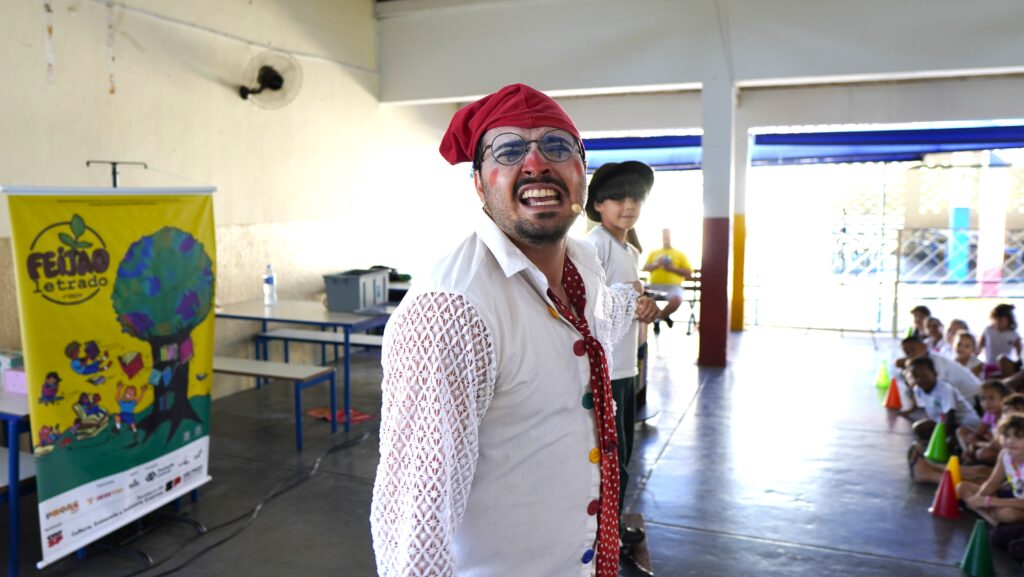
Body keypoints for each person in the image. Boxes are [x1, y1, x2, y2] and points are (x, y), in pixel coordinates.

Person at [370, 83, 651, 577]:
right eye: (509, 150)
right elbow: (415, 523)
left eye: (557, 147)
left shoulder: (583, 265)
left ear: (582, 173)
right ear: (479, 185)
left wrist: (639, 301)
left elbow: (602, 316)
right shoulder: (452, 310)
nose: (536, 163)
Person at [584, 161, 662, 551]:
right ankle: (602, 533)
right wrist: (633, 297)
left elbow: (625, 300)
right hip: (607, 369)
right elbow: (586, 302)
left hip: (626, 365)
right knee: (609, 456)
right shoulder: (594, 244)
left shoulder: (628, 248)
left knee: (623, 452)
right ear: (598, 204)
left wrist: (643, 303)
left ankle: (610, 525)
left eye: (635, 198)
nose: (628, 205)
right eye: (617, 198)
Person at [900, 356, 981, 444]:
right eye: (916, 376)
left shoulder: (945, 389)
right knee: (918, 428)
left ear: (935, 374)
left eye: (924, 375)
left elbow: (950, 417)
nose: (920, 379)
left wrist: (941, 439)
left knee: (950, 441)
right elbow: (917, 402)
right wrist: (910, 410)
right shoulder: (918, 389)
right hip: (942, 422)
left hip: (964, 424)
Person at [960, 414, 1024, 524]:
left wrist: (989, 502)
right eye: (1006, 436)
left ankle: (991, 517)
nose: (1010, 441)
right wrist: (978, 498)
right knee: (962, 487)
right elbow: (993, 483)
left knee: (1008, 514)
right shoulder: (1005, 454)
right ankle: (993, 521)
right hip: (1013, 497)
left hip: (1019, 504)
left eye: (1018, 437)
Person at [895, 336, 981, 404]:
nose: (910, 355)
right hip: (959, 398)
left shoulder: (935, 361)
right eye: (907, 352)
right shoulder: (919, 363)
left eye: (913, 350)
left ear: (924, 347)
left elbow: (939, 388)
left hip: (973, 397)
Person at [642, 228, 691, 332]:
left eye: (668, 236)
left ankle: (658, 318)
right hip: (653, 286)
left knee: (677, 299)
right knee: (639, 295)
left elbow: (688, 272)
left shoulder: (680, 254)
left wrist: (672, 268)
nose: (666, 239)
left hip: (673, 287)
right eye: (664, 236)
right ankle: (664, 316)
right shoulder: (654, 252)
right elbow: (645, 268)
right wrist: (656, 264)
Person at [957, 379, 1010, 465]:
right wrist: (970, 448)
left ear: (1004, 399)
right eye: (982, 399)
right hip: (991, 443)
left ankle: (980, 463)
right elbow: (977, 434)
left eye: (991, 398)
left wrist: (976, 443)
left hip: (1006, 449)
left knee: (983, 454)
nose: (986, 403)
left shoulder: (1007, 417)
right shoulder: (989, 414)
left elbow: (996, 445)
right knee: (961, 431)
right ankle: (970, 457)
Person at [979, 303, 1023, 378]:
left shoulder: (1014, 335)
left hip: (1004, 368)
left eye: (1001, 320)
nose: (997, 322)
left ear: (1009, 320)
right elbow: (979, 347)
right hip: (989, 365)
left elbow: (1019, 356)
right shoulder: (988, 330)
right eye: (995, 319)